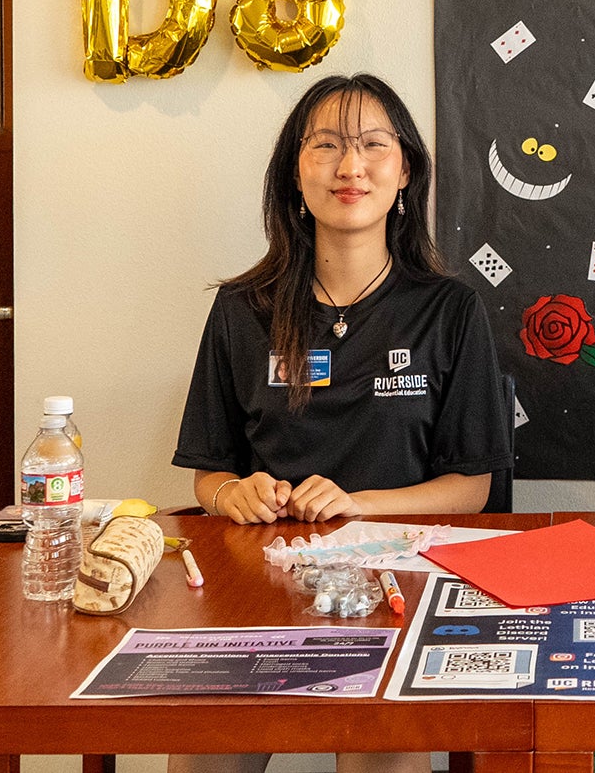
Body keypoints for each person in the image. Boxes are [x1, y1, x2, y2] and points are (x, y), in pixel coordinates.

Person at [172, 72, 511, 773]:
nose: (350, 167)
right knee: (206, 756)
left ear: (405, 170)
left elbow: (472, 487)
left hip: (399, 583)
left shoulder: (449, 310)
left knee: (377, 750)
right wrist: (228, 493)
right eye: (326, 145)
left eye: (372, 146)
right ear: (295, 172)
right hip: (260, 587)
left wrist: (358, 506)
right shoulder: (244, 307)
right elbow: (210, 472)